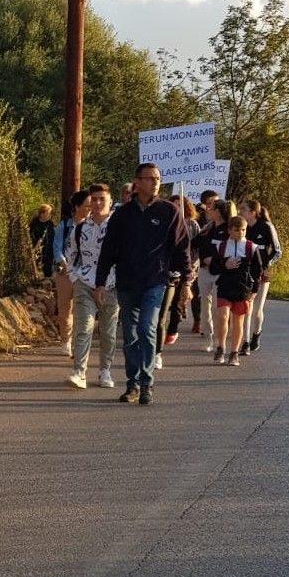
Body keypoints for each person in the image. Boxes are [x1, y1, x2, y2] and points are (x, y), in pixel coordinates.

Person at [93, 163, 193, 405]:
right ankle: (132, 384)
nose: (155, 182)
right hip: (127, 283)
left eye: (158, 178)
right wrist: (100, 283)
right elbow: (108, 251)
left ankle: (147, 384)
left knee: (147, 330)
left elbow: (182, 247)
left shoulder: (168, 211)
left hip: (155, 282)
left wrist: (187, 281)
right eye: (150, 179)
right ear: (137, 182)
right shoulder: (123, 215)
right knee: (130, 336)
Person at [65, 183, 120, 390]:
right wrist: (73, 276)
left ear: (109, 202)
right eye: (94, 199)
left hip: (111, 284)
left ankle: (105, 370)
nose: (97, 203)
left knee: (107, 331)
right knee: (84, 327)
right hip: (85, 282)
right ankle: (79, 372)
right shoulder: (81, 228)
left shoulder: (118, 227)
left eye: (101, 199)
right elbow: (71, 253)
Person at [210, 215, 266, 366]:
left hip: (243, 288)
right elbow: (213, 268)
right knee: (222, 317)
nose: (241, 233)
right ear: (229, 230)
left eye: (243, 230)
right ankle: (221, 347)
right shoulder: (221, 247)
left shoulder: (251, 247)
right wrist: (225, 266)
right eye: (237, 230)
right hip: (225, 286)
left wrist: (254, 290)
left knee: (238, 321)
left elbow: (258, 270)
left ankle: (234, 353)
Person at [155, 195, 200, 362]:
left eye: (178, 205)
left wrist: (190, 272)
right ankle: (154, 347)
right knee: (159, 313)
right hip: (163, 273)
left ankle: (172, 329)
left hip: (183, 272)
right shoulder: (162, 224)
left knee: (177, 304)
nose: (175, 208)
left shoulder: (191, 224)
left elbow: (193, 250)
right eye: (172, 205)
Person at [238, 199, 282, 354]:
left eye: (243, 209)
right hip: (245, 273)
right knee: (246, 309)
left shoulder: (266, 227)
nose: (240, 212)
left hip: (262, 273)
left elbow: (277, 251)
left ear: (252, 212)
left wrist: (266, 264)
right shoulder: (242, 228)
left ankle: (256, 334)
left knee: (257, 310)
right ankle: (246, 342)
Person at [51, 191, 92, 354]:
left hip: (86, 273)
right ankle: (65, 340)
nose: (90, 207)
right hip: (65, 273)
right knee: (65, 308)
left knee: (83, 308)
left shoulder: (92, 226)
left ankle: (79, 341)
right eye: (87, 204)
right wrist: (64, 264)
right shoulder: (65, 225)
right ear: (76, 207)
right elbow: (57, 247)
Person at [195, 199, 230, 353]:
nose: (207, 210)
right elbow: (194, 243)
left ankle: (218, 339)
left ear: (219, 211)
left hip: (219, 272)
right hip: (203, 271)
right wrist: (201, 233)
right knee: (205, 305)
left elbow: (229, 251)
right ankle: (208, 336)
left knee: (217, 307)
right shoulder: (208, 228)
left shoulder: (228, 229)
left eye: (211, 208)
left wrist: (214, 260)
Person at [29, 204, 55, 279]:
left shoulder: (50, 223)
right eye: (48, 212)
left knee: (48, 272)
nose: (50, 215)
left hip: (48, 251)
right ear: (42, 214)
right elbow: (31, 237)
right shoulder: (34, 223)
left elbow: (52, 237)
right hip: (37, 251)